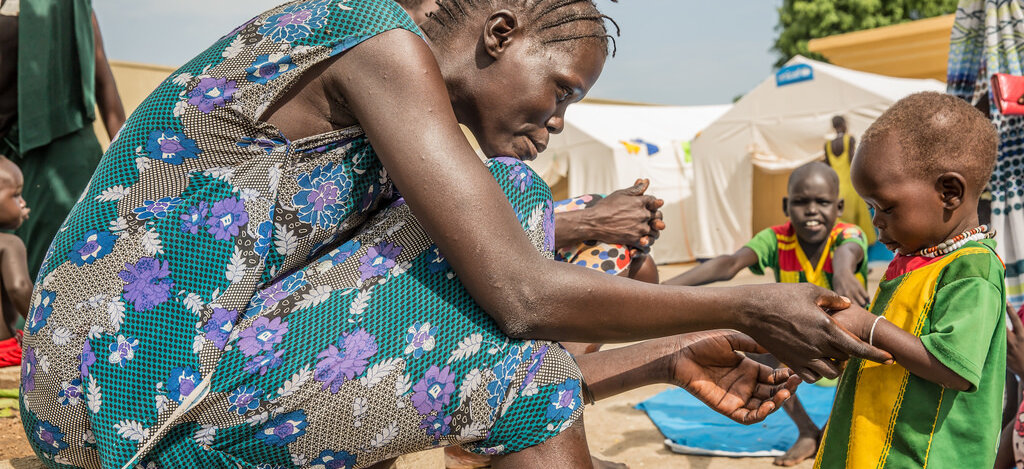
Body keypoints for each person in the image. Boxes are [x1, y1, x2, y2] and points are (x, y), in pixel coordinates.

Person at [19, 2, 890, 468]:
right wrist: (744, 300)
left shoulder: (369, 88)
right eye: (562, 90)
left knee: (517, 236)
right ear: (500, 33)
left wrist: (666, 355)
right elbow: (520, 300)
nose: (557, 119)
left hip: (114, 385)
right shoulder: (376, 38)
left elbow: (504, 320)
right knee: (515, 215)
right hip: (126, 399)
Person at [817, 91, 1006, 468]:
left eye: (885, 207)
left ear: (949, 192)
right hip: (873, 448)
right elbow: (897, 347)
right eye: (870, 208)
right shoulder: (914, 260)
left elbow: (952, 367)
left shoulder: (973, 269)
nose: (876, 222)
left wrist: (867, 325)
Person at [663, 161, 868, 466]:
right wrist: (664, 291)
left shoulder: (847, 235)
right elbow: (729, 264)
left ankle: (828, 430)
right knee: (763, 359)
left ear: (838, 207)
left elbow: (847, 253)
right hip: (797, 332)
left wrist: (843, 275)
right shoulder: (775, 238)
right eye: (801, 202)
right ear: (787, 206)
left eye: (822, 202)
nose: (812, 210)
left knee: (860, 374)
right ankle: (807, 431)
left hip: (844, 333)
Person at [0, 0, 125, 280]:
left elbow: (104, 82)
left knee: (68, 269)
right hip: (7, 160)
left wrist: (128, 160)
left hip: (64, 154)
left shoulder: (67, 8)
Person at [824, 115, 875, 246]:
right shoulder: (849, 140)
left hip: (836, 191)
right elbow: (854, 164)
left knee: (842, 227)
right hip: (851, 189)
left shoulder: (828, 145)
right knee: (858, 227)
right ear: (844, 125)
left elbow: (828, 170)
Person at [0, 156, 30, 367]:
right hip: (4, 352)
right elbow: (18, 288)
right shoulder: (9, 244)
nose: (23, 202)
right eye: (16, 195)